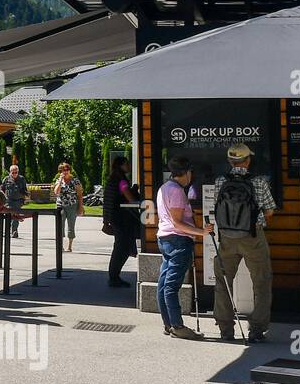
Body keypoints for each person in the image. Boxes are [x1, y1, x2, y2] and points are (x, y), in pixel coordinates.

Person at [211, 143, 275, 343]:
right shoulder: (258, 181)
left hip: (227, 238)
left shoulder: (221, 181)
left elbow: (217, 206)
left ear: (230, 161)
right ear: (248, 160)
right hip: (252, 236)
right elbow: (269, 210)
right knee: (261, 282)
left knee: (223, 282)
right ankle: (256, 330)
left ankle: (225, 329)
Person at [155, 155, 212, 340]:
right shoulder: (177, 192)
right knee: (171, 286)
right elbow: (178, 223)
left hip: (164, 239)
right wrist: (200, 232)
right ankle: (177, 325)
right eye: (190, 172)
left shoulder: (164, 188)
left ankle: (168, 323)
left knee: (164, 284)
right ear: (186, 173)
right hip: (178, 240)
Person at [103, 156, 141, 288]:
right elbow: (130, 199)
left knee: (119, 246)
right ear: (121, 166)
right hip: (121, 218)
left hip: (114, 217)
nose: (129, 166)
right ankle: (114, 277)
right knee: (122, 248)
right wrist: (134, 192)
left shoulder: (112, 179)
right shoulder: (122, 181)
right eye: (127, 164)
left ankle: (114, 276)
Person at [52, 163, 84, 253]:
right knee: (60, 225)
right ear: (60, 172)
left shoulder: (75, 181)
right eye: (63, 170)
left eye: (67, 169)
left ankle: (70, 246)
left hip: (72, 205)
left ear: (70, 170)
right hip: (60, 205)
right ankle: (60, 245)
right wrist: (61, 179)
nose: (65, 171)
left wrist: (81, 207)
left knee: (71, 225)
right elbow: (56, 192)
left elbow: (80, 194)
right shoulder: (59, 180)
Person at [1, 164, 28, 239]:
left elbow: (25, 190)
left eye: (16, 172)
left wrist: (24, 198)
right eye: (13, 172)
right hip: (8, 201)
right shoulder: (6, 179)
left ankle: (14, 231)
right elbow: (1, 189)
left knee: (16, 216)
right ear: (10, 172)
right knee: (9, 216)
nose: (14, 174)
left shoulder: (22, 179)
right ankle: (8, 230)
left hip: (18, 201)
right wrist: (3, 197)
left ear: (18, 172)